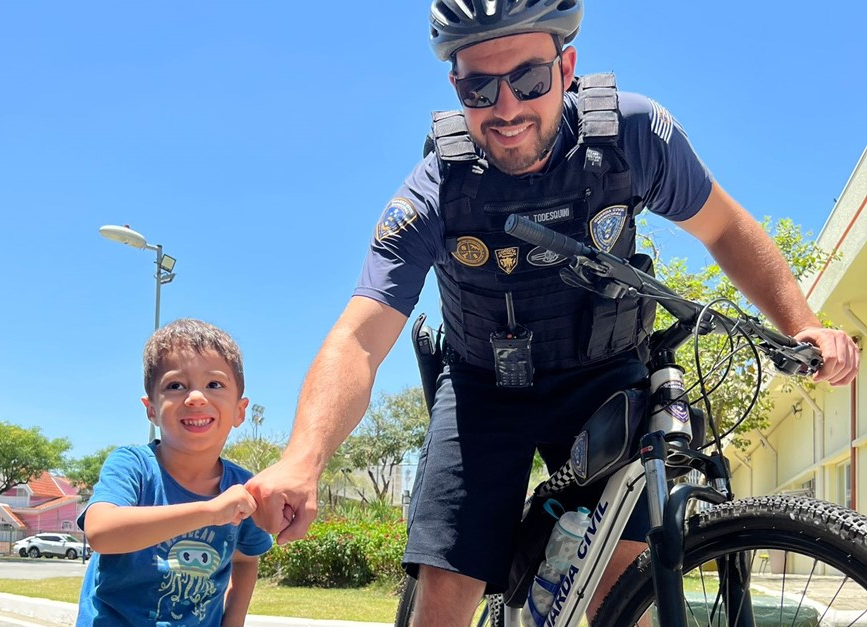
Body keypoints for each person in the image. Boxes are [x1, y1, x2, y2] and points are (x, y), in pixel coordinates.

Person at [248, 1, 860, 625]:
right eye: (479, 88)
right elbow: (359, 337)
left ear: (566, 67)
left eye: (529, 79)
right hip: (483, 388)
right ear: (455, 87)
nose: (507, 106)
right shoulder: (434, 191)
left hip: (602, 376)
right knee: (449, 585)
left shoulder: (634, 137)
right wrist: (304, 457)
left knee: (623, 589)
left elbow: (724, 228)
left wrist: (801, 324)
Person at [76, 318, 272, 626]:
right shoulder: (133, 466)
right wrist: (210, 512)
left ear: (239, 410)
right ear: (151, 409)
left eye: (214, 384)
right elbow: (101, 532)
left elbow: (246, 559)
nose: (195, 397)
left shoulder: (242, 488)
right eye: (176, 386)